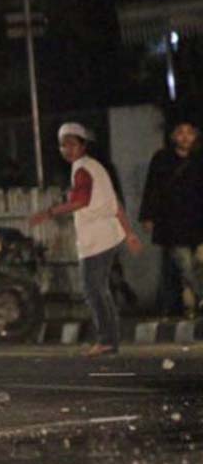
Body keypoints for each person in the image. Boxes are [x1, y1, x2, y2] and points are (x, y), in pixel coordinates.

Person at [30, 123, 142, 357]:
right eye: (63, 145)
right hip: (107, 235)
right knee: (101, 289)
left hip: (97, 238)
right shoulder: (95, 167)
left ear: (83, 145)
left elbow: (81, 201)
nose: (67, 149)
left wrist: (48, 213)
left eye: (72, 144)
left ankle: (106, 340)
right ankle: (110, 340)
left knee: (93, 290)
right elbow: (115, 203)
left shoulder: (82, 169)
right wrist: (129, 233)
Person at [138, 121, 203, 317]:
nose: (185, 137)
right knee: (184, 264)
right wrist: (148, 215)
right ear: (173, 136)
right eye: (180, 132)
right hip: (173, 222)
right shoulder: (162, 159)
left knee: (198, 263)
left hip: (198, 220)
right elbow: (152, 188)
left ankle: (191, 306)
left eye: (190, 133)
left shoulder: (200, 159)